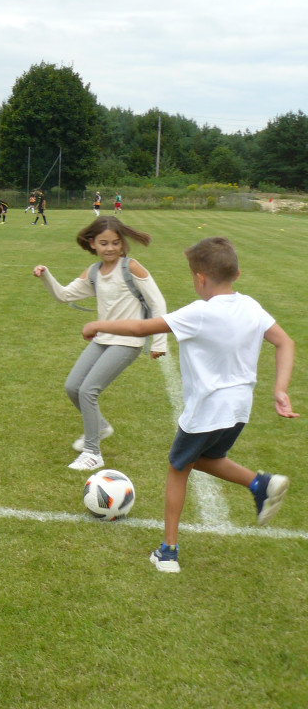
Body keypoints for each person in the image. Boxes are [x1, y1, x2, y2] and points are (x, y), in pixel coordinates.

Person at [82, 237, 296, 573]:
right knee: (206, 459)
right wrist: (280, 389)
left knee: (177, 468)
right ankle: (259, 484)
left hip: (207, 409)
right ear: (237, 273)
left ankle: (168, 551)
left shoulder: (199, 312)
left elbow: (141, 327)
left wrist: (97, 325)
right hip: (240, 409)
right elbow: (285, 342)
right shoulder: (251, 306)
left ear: (198, 278)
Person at [33, 216, 168, 470]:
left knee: (88, 391)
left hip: (128, 341)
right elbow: (64, 295)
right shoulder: (94, 272)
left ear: (122, 244)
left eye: (115, 243)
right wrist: (45, 275)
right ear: (92, 243)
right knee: (73, 387)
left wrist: (159, 342)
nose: (110, 248)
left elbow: (157, 303)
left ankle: (92, 453)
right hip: (103, 338)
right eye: (103, 243)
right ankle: (101, 426)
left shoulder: (132, 267)